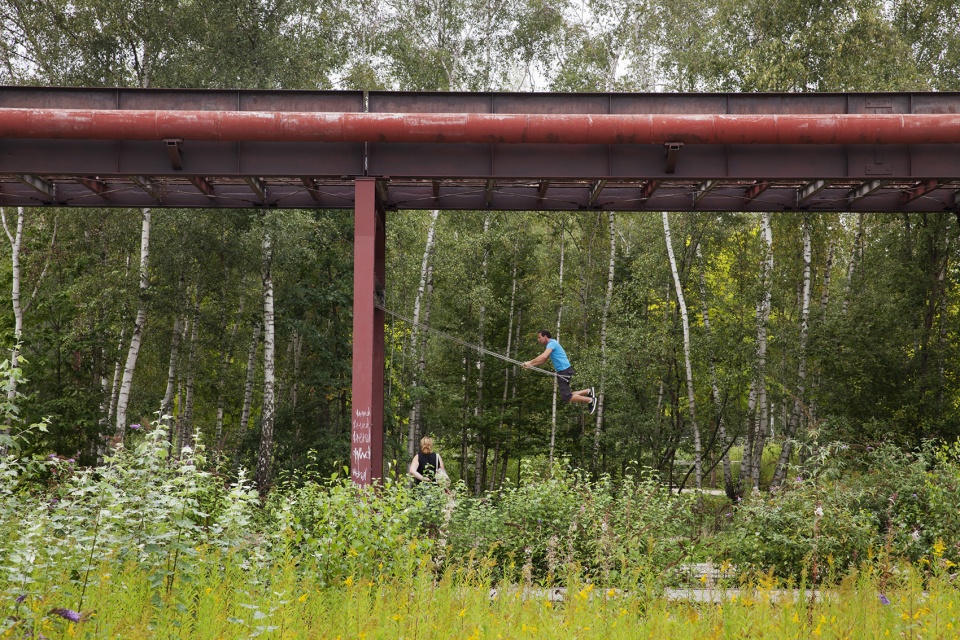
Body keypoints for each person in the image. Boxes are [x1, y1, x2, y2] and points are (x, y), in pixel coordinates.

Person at [522, 329, 596, 413]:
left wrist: (530, 362)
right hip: (564, 371)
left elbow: (543, 356)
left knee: (567, 397)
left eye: (539, 337)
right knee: (568, 395)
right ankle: (588, 391)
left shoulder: (552, 343)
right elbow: (544, 360)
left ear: (545, 336)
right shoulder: (552, 343)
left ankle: (590, 400)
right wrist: (531, 365)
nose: (538, 340)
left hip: (564, 371)